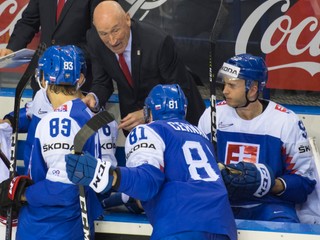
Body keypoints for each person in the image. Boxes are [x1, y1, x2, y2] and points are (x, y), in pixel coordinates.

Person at [65, 84, 237, 240]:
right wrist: (109, 201)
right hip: (223, 225)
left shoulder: (149, 130)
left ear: (149, 112)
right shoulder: (200, 135)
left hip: (181, 224)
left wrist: (105, 174)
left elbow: (147, 183)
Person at [198, 53, 317, 223]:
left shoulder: (285, 121)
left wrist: (269, 184)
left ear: (252, 89)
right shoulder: (212, 115)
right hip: (221, 202)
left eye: (232, 85)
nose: (224, 91)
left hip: (269, 205)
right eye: (224, 84)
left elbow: (305, 183)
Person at [0, 45, 103, 239]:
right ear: (79, 79)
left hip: (48, 226)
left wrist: (20, 194)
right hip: (72, 224)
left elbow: (63, 190)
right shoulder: (85, 114)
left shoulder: (59, 121)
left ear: (42, 79)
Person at [83, 1, 205, 135]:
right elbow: (102, 82)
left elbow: (180, 92)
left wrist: (148, 113)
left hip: (176, 124)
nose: (112, 40)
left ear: (127, 19)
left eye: (116, 30)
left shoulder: (158, 43)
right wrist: (93, 97)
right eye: (104, 34)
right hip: (134, 127)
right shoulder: (95, 40)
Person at [0, 0, 107, 94]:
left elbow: (100, 38)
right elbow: (29, 21)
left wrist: (67, 56)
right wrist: (12, 49)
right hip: (43, 81)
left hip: (77, 82)